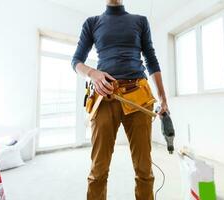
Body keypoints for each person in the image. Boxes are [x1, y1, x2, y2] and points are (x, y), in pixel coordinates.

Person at [72, 0, 168, 199]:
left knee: (144, 170)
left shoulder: (140, 21)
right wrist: (92, 73)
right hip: (105, 97)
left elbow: (151, 60)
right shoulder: (92, 23)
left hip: (138, 97)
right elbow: (76, 61)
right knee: (98, 170)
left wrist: (163, 99)